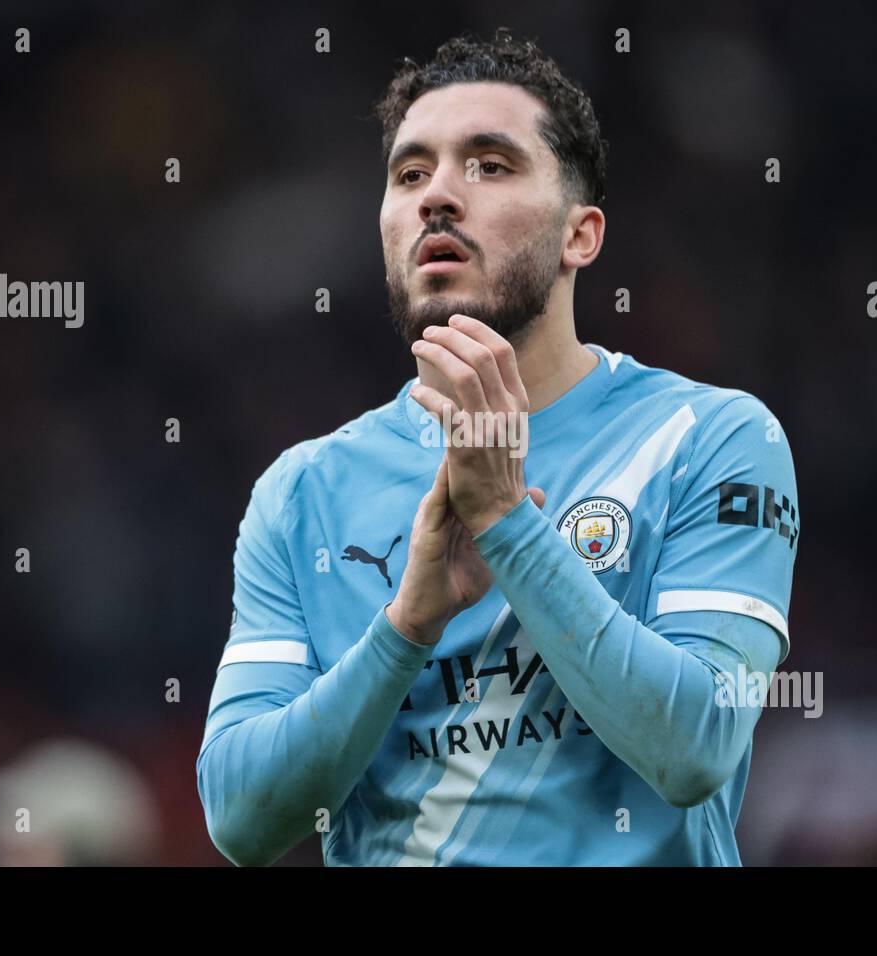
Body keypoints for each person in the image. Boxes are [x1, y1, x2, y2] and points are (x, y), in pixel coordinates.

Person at [197, 28, 799, 866]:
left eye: (489, 165)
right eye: (411, 174)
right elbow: (240, 818)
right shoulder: (304, 492)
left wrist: (510, 525)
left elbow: (695, 748)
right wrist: (406, 627)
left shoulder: (708, 439)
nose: (439, 196)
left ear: (579, 236)